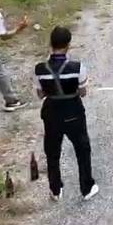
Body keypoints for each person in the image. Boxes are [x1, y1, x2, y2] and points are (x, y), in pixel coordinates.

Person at [33, 25, 97, 201]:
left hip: (51, 112)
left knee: (52, 151)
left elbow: (40, 94)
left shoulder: (39, 69)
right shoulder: (77, 67)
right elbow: (82, 92)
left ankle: (55, 190)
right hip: (73, 111)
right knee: (82, 149)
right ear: (68, 45)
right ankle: (87, 188)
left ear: (50, 44)